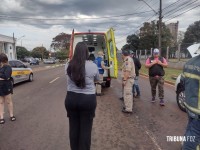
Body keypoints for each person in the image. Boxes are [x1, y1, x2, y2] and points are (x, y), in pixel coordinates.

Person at [65, 42, 99, 150]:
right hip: (87, 100)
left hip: (71, 99)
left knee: (73, 128)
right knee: (85, 130)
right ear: (86, 52)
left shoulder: (68, 65)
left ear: (75, 52)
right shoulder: (92, 66)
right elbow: (97, 79)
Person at [182, 47, 200, 149]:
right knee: (194, 134)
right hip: (198, 109)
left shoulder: (189, 62)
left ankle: (186, 145)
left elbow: (183, 81)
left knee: (191, 128)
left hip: (189, 105)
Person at [0, 53, 16, 124]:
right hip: (0, 86)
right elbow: (4, 76)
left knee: (9, 101)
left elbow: (6, 76)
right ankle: (1, 117)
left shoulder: (8, 67)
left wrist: (2, 76)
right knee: (1, 102)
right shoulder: (1, 67)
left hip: (7, 86)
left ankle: (11, 115)